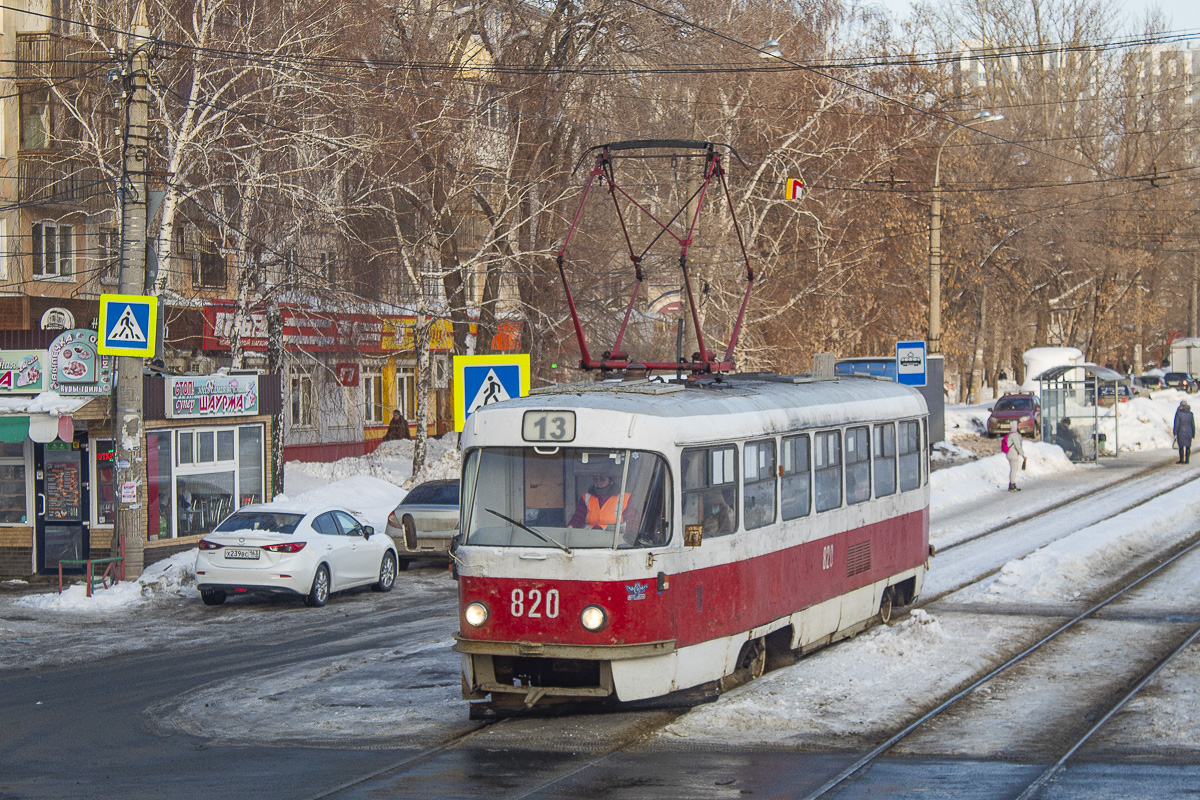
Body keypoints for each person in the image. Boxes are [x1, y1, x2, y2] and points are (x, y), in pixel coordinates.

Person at [568, 470, 638, 530]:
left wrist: (630, 535)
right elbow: (578, 517)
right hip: (589, 537)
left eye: (602, 480)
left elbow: (630, 521)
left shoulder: (625, 498)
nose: (598, 483)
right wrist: (571, 527)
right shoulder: (586, 497)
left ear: (611, 482)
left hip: (614, 540)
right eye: (596, 479)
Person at [1003, 420, 1026, 492]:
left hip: (1010, 453)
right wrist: (1022, 455)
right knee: (1014, 470)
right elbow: (1018, 446)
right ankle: (1012, 485)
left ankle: (1012, 484)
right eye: (1018, 425)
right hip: (1013, 454)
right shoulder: (1014, 435)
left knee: (1013, 469)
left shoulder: (1010, 434)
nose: (1019, 426)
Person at [1173, 400, 1194, 465]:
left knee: (1181, 446)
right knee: (1188, 446)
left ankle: (1182, 459)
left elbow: (1176, 423)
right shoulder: (1190, 414)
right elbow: (1192, 424)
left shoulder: (1179, 413)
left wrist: (1175, 432)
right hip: (1189, 431)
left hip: (1180, 431)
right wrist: (1193, 432)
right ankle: (1187, 459)